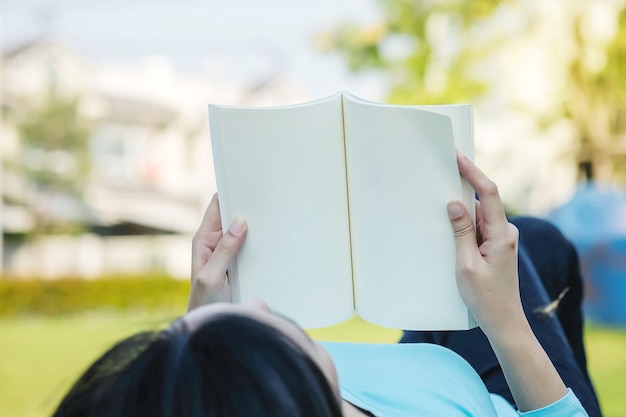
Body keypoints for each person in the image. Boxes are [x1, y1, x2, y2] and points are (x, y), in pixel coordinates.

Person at [52, 152, 598, 416]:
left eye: (183, 331)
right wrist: (505, 318)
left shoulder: (275, 388)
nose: (255, 304)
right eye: (255, 336)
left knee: (538, 240)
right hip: (517, 399)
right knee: (539, 242)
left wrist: (200, 342)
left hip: (431, 376)